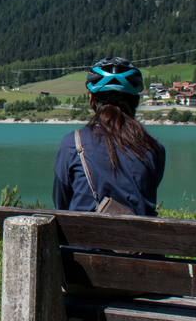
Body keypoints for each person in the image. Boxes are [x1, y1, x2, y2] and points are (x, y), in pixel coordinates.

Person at [53, 57, 165, 216]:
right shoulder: (154, 149)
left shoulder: (72, 144)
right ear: (136, 101)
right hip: (139, 239)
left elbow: (61, 204)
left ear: (91, 100)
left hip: (82, 239)